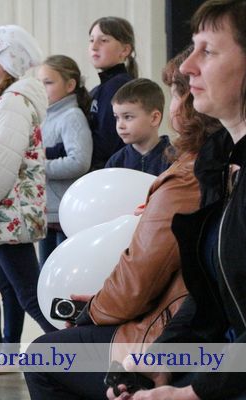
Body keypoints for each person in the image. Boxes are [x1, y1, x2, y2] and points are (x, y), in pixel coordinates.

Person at [24, 45, 220, 400]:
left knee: (42, 356)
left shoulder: (186, 176)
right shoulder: (208, 165)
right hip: (178, 318)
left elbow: (139, 276)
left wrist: (92, 311)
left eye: (176, 94)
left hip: (168, 331)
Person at [108, 1, 246, 399]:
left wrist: (193, 392)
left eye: (209, 51)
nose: (188, 66)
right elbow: (210, 295)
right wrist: (163, 358)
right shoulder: (219, 163)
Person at [0, 24, 53, 374]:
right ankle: (0, 353)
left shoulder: (13, 103)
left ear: (6, 61)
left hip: (8, 212)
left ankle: (72, 347)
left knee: (26, 291)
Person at [36, 55, 93, 266]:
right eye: (40, 83)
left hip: (64, 211)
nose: (42, 88)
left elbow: (79, 161)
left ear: (70, 85)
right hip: (48, 212)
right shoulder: (47, 116)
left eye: (48, 82)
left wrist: (37, 168)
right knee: (46, 270)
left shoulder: (71, 116)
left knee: (62, 268)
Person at [88, 16, 138, 170]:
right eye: (91, 40)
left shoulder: (118, 87)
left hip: (109, 173)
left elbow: (106, 143)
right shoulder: (100, 89)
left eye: (103, 40)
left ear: (125, 50)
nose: (94, 46)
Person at [105, 78, 172, 176]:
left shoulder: (174, 161)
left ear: (154, 118)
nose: (120, 125)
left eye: (127, 117)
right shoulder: (115, 163)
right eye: (117, 118)